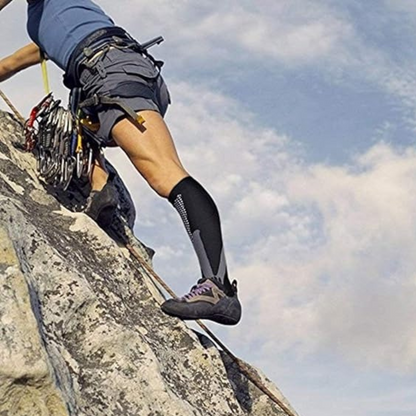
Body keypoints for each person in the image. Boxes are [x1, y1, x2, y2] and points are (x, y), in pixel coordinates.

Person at [0, 0, 242, 325]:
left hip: (111, 67)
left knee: (164, 173)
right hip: (98, 76)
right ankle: (102, 192)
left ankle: (219, 288)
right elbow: (10, 64)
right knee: (60, 130)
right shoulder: (46, 22)